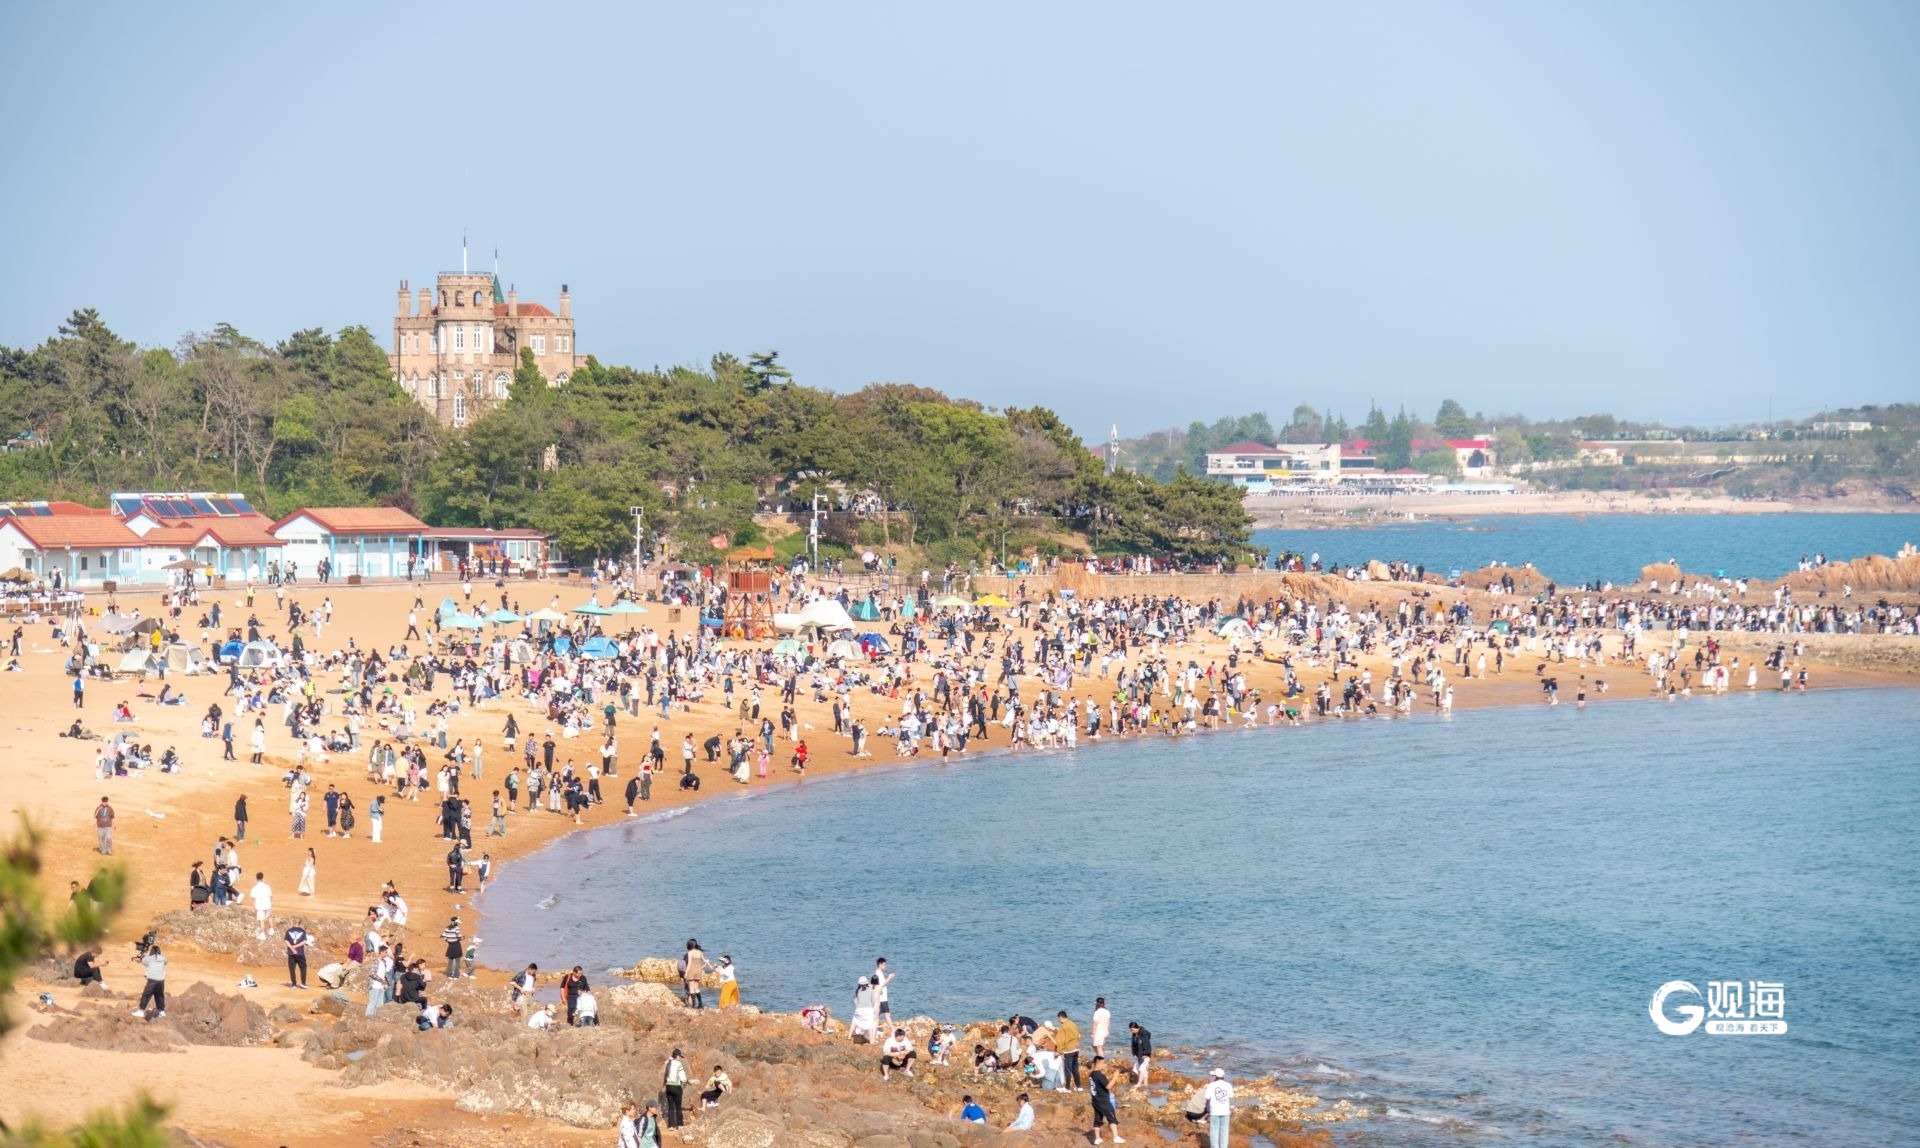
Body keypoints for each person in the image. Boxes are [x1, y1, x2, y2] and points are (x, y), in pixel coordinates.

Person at [1089, 1055, 1125, 1144]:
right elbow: (1108, 1086)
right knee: (1111, 1118)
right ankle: (1116, 1137)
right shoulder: (1099, 1075)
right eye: (1103, 1063)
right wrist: (1115, 1076)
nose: (1104, 1065)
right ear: (1099, 1063)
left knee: (1098, 1119)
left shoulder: (1092, 1074)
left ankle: (1097, 1138)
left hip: (1095, 1099)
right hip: (1103, 1100)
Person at [131, 942, 166, 1018]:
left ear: (152, 952)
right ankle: (162, 1012)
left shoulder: (149, 958)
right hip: (161, 981)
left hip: (152, 980)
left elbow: (143, 961)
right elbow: (164, 963)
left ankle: (141, 1011)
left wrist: (145, 953)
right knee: (159, 996)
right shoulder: (163, 958)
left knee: (145, 995)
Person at [1204, 1067, 1234, 1148]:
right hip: (1225, 1112)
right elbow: (1231, 1096)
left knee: (1214, 1132)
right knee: (1224, 1132)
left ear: (1215, 1077)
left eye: (1213, 1076)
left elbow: (1207, 1098)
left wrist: (1206, 1110)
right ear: (1223, 1076)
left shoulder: (1211, 1085)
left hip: (1215, 1112)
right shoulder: (1228, 1085)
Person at [1056, 1009, 1083, 1091]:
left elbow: (1060, 1040)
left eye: (1059, 1019)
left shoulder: (1063, 1027)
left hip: (1068, 1051)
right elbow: (1079, 1035)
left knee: (1067, 1070)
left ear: (1061, 1017)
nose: (1059, 1021)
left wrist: (1060, 1051)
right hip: (1076, 1049)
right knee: (1075, 1069)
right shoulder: (1073, 1024)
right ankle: (1078, 1087)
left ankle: (1067, 1088)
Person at [662, 1048, 690, 1128]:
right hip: (676, 1087)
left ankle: (671, 1125)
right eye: (679, 1056)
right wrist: (686, 1082)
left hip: (668, 1087)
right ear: (677, 1056)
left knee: (670, 1106)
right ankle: (680, 1125)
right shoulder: (678, 1064)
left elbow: (666, 1073)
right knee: (678, 1106)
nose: (680, 1058)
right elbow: (682, 1077)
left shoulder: (667, 1062)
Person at [284, 919, 311, 988]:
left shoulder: (289, 931)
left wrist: (292, 948)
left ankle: (294, 984)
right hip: (300, 953)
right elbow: (304, 941)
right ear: (300, 923)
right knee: (303, 968)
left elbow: (286, 941)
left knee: (292, 969)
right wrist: (295, 947)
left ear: (293, 923)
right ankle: (303, 983)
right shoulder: (302, 931)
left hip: (291, 953)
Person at [681, 939, 706, 1008]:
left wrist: (686, 973)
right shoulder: (700, 952)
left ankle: (694, 1004)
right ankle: (700, 1004)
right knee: (697, 988)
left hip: (692, 971)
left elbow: (689, 964)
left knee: (691, 989)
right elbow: (704, 960)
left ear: (689, 945)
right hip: (698, 971)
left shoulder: (690, 952)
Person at [1128, 1021, 1153, 1092]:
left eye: (1132, 1030)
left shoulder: (1144, 1034)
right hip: (1138, 1055)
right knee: (1142, 1069)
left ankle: (1139, 1083)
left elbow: (1147, 1045)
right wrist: (1134, 1054)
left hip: (1145, 1055)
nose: (1131, 1031)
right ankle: (1145, 1084)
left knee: (1142, 1068)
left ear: (1136, 1028)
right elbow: (1133, 1046)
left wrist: (1146, 1053)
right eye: (1130, 1030)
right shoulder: (1134, 1035)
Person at [249, 872, 273, 939]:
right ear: (262, 878)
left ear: (256, 878)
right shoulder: (267, 886)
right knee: (269, 917)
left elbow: (253, 899)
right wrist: (271, 904)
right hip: (268, 904)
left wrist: (253, 907)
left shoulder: (255, 887)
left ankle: (263, 934)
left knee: (261, 920)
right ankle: (271, 930)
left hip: (260, 906)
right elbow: (270, 896)